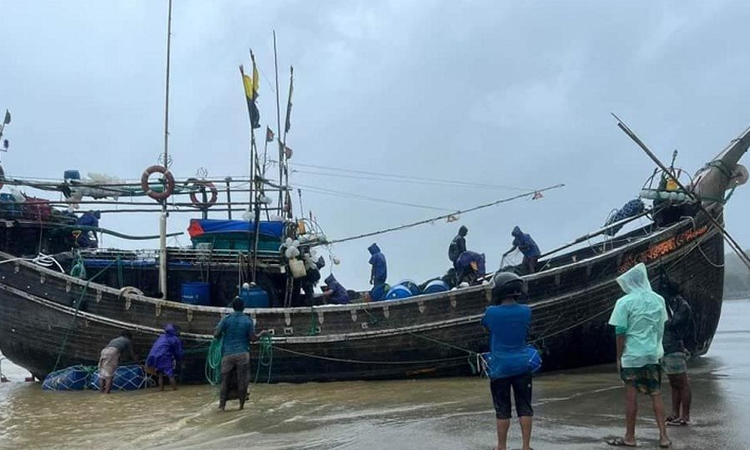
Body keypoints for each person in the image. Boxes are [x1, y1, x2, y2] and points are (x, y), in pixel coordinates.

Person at [607, 263, 670, 448]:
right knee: (656, 393)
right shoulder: (658, 300)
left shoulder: (624, 302)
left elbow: (620, 332)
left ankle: (630, 436)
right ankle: (664, 437)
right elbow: (661, 327)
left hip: (632, 356)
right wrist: (657, 349)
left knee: (631, 396)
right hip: (652, 354)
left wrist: (619, 357)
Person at [482, 271, 533, 450]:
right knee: (525, 406)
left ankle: (501, 446)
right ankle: (526, 446)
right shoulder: (526, 311)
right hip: (522, 365)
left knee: (502, 409)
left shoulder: (491, 313)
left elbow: (486, 327)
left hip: (500, 368)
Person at [214, 297, 265, 411]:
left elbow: (216, 334)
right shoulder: (248, 320)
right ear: (243, 308)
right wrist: (261, 333)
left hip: (227, 354)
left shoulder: (226, 319)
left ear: (232, 307)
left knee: (224, 381)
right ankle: (241, 407)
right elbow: (253, 339)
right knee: (242, 381)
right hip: (243, 354)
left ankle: (222, 406)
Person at [662, 281, 693, 427]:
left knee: (683, 383)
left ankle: (685, 415)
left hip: (675, 348)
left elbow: (674, 324)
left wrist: (662, 323)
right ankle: (675, 413)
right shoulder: (671, 304)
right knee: (674, 383)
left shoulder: (682, 306)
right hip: (667, 348)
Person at [145, 324, 184, 391]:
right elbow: (178, 353)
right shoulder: (175, 339)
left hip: (153, 356)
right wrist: (180, 360)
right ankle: (175, 390)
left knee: (160, 374)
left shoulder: (161, 336)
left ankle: (161, 389)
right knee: (170, 374)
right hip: (164, 356)